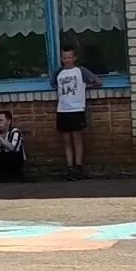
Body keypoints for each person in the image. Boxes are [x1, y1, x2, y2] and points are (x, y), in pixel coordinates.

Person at [53, 46, 102, 181]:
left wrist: (85, 87)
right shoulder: (58, 73)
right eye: (64, 58)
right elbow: (53, 85)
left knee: (77, 139)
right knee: (66, 141)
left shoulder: (80, 71)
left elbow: (97, 81)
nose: (67, 60)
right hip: (62, 109)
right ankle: (69, 168)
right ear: (61, 59)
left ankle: (78, 167)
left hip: (77, 109)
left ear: (74, 58)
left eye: (69, 57)